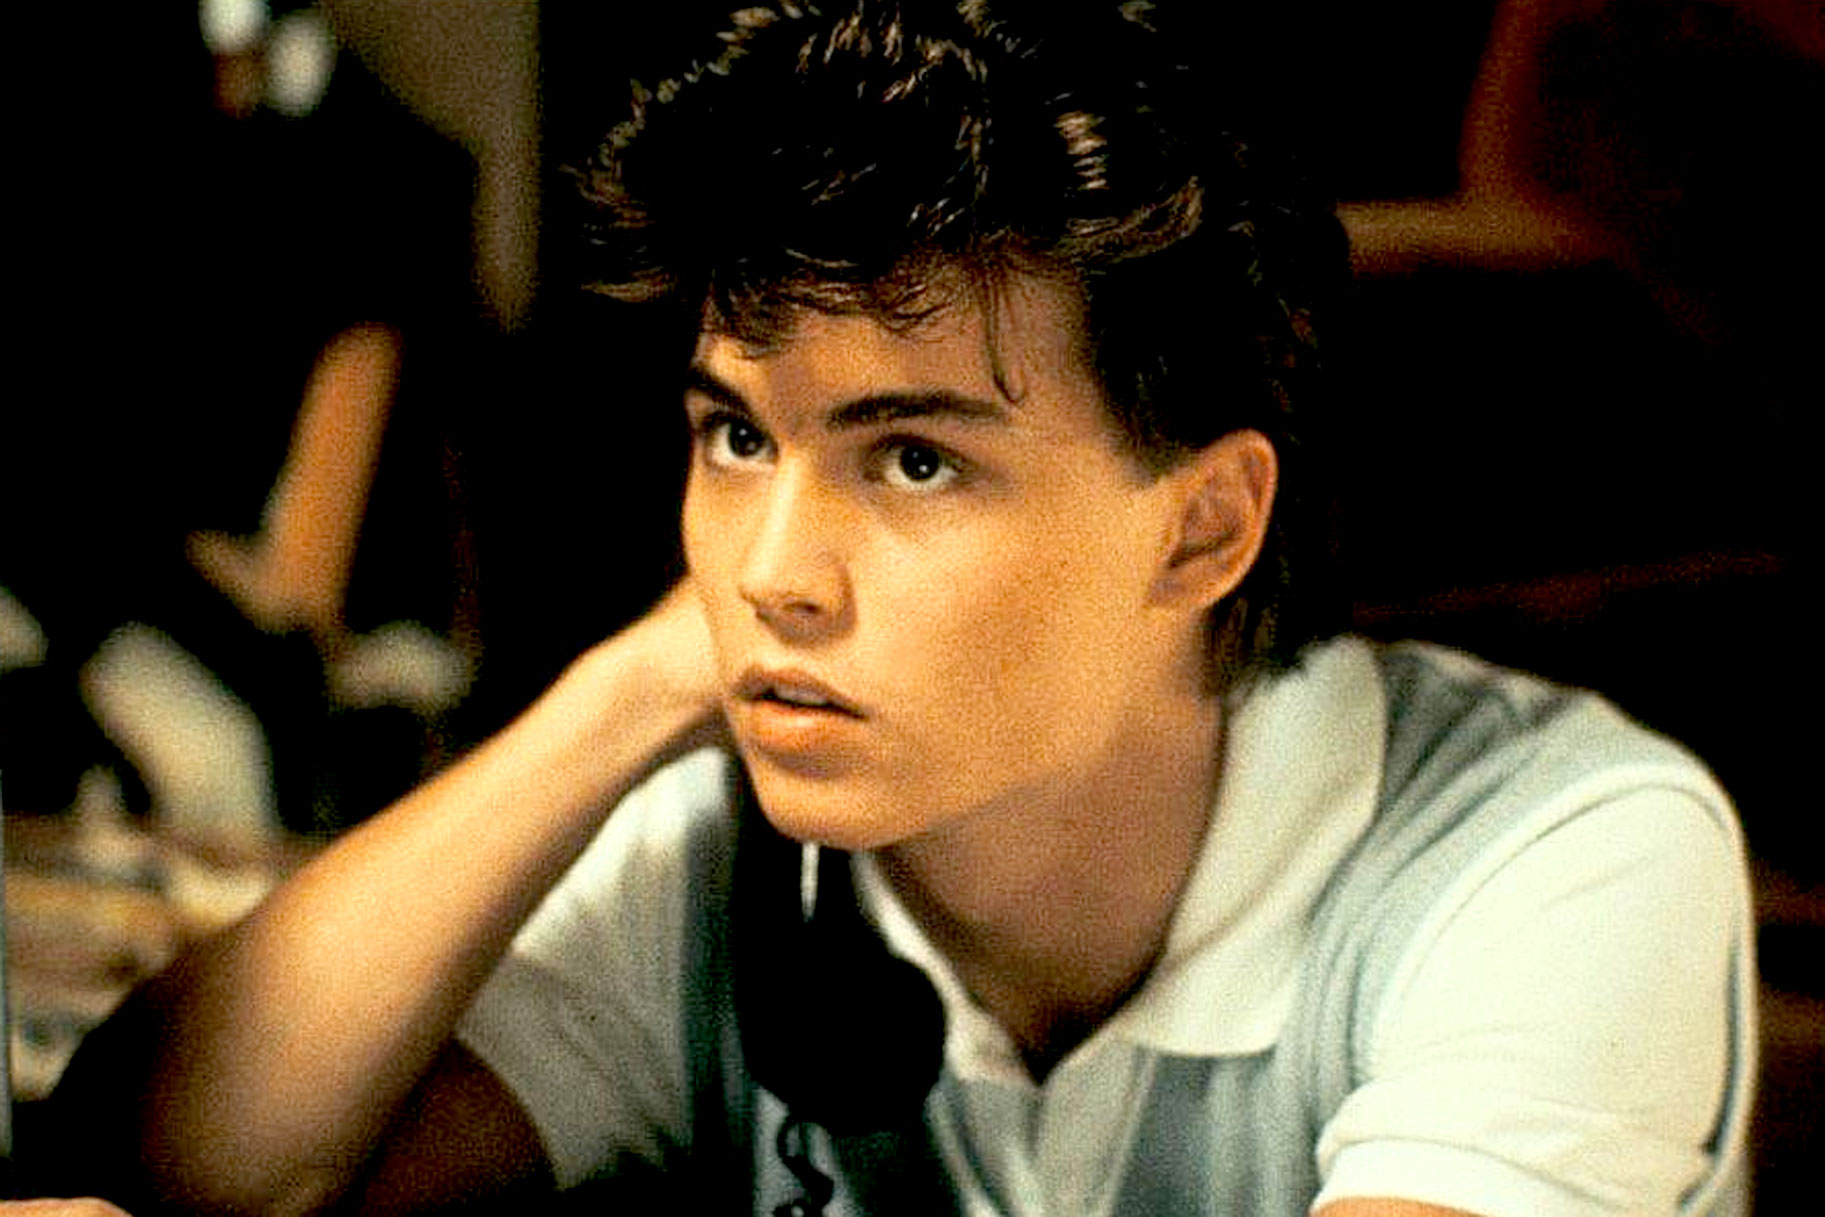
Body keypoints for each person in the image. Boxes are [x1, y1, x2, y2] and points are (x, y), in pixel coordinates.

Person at [42, 2, 1754, 1214]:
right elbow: (160, 1168)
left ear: (1204, 525)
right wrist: (623, 695)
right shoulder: (720, 852)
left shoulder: (1563, 849)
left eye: (915, 460)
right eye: (735, 436)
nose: (771, 569)